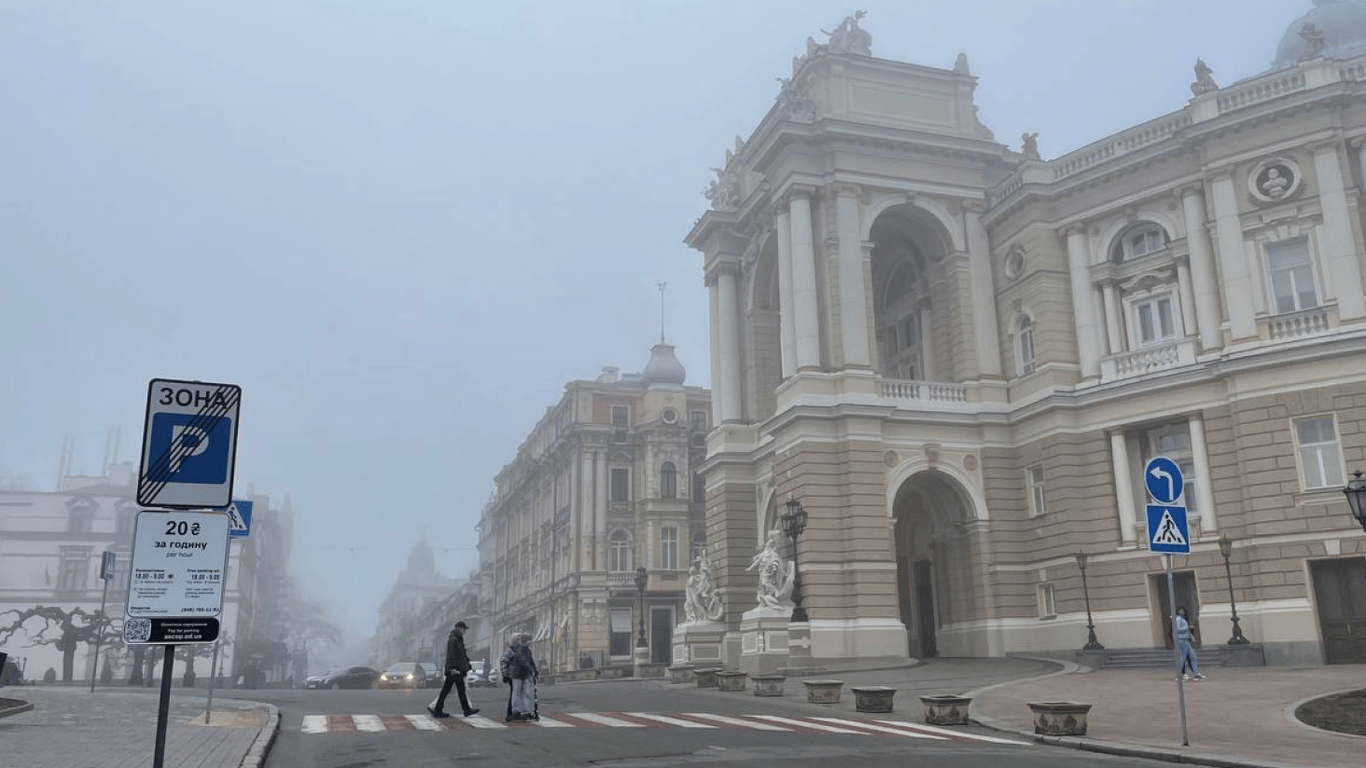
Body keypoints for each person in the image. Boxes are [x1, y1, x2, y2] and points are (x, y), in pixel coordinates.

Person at [428, 620, 479, 718]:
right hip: (454, 670)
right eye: (464, 629)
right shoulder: (454, 639)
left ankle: (438, 710)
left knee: (449, 690)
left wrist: (466, 665)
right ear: (460, 628)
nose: (465, 631)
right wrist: (453, 668)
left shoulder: (457, 638)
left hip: (455, 669)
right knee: (456, 690)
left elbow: (461, 655)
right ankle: (465, 710)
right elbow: (451, 655)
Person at [500, 632, 539, 721]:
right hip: (515, 674)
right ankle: (515, 711)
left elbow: (531, 661)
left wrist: (535, 671)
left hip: (524, 675)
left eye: (520, 639)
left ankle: (525, 711)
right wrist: (505, 674)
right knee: (516, 693)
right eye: (518, 639)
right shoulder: (516, 650)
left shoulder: (527, 650)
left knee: (525, 693)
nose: (519, 641)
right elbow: (521, 661)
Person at [1174, 606, 1206, 681]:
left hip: (1186, 639)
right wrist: (1187, 627)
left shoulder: (1182, 619)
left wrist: (1190, 636)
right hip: (1181, 640)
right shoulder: (1178, 619)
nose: (1182, 612)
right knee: (1182, 658)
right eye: (1181, 610)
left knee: (1193, 656)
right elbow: (1177, 629)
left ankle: (1196, 673)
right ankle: (1179, 675)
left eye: (1183, 610)